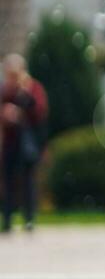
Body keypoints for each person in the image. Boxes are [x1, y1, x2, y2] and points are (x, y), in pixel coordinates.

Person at [1, 53, 49, 234]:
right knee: (8, 181)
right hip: (10, 142)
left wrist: (24, 99)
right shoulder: (5, 90)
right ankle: (7, 219)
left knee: (28, 182)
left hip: (27, 144)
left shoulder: (33, 88)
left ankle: (29, 218)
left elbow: (40, 112)